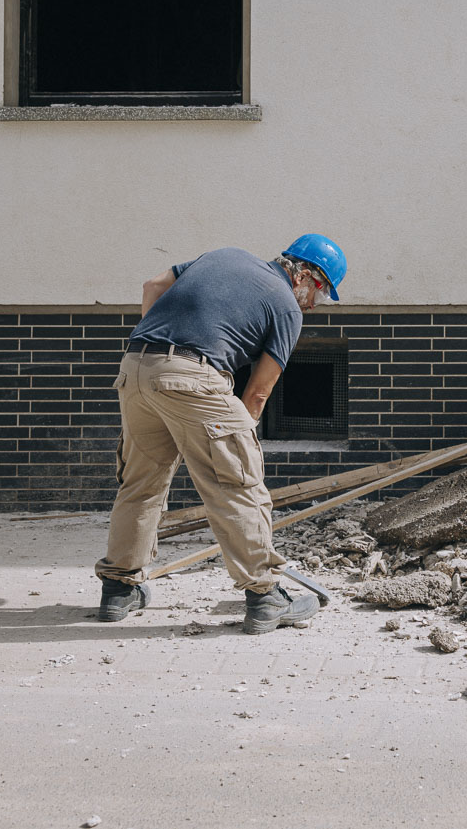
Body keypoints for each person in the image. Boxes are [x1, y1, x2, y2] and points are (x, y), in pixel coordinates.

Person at [93, 234, 347, 634]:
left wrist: (159, 348)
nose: (313, 306)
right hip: (195, 376)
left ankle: (118, 589)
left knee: (140, 484)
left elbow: (153, 286)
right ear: (305, 275)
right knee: (238, 485)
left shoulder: (226, 255)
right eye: (319, 295)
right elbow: (258, 393)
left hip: (135, 367)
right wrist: (233, 445)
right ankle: (264, 597)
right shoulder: (285, 307)